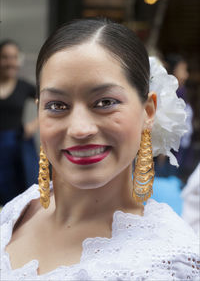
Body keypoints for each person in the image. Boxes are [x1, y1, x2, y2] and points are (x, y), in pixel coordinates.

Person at [1, 19, 199, 280]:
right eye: (57, 106)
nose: (80, 129)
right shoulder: (19, 210)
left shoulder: (170, 261)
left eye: (105, 102)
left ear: (148, 111)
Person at [0, 40, 38, 205]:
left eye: (14, 57)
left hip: (16, 146)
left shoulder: (24, 86)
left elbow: (50, 102)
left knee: (17, 193)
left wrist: (34, 125)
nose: (10, 62)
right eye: (5, 57)